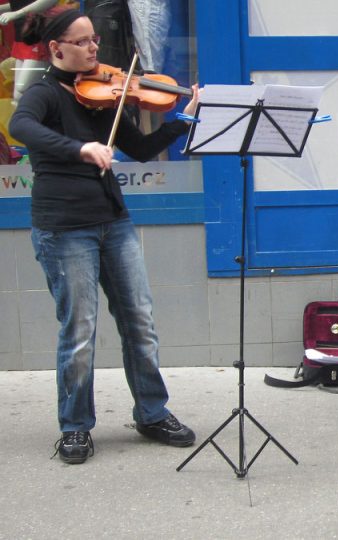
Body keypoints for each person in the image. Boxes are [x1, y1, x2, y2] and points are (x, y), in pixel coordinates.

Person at [9, 8, 199, 464]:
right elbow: (21, 128)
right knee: (79, 332)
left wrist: (185, 118)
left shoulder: (104, 94)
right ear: (57, 49)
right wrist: (80, 148)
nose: (96, 48)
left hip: (114, 222)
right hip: (63, 228)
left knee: (140, 321)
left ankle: (152, 412)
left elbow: (142, 147)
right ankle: (75, 427)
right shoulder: (42, 94)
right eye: (84, 41)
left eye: (95, 39)